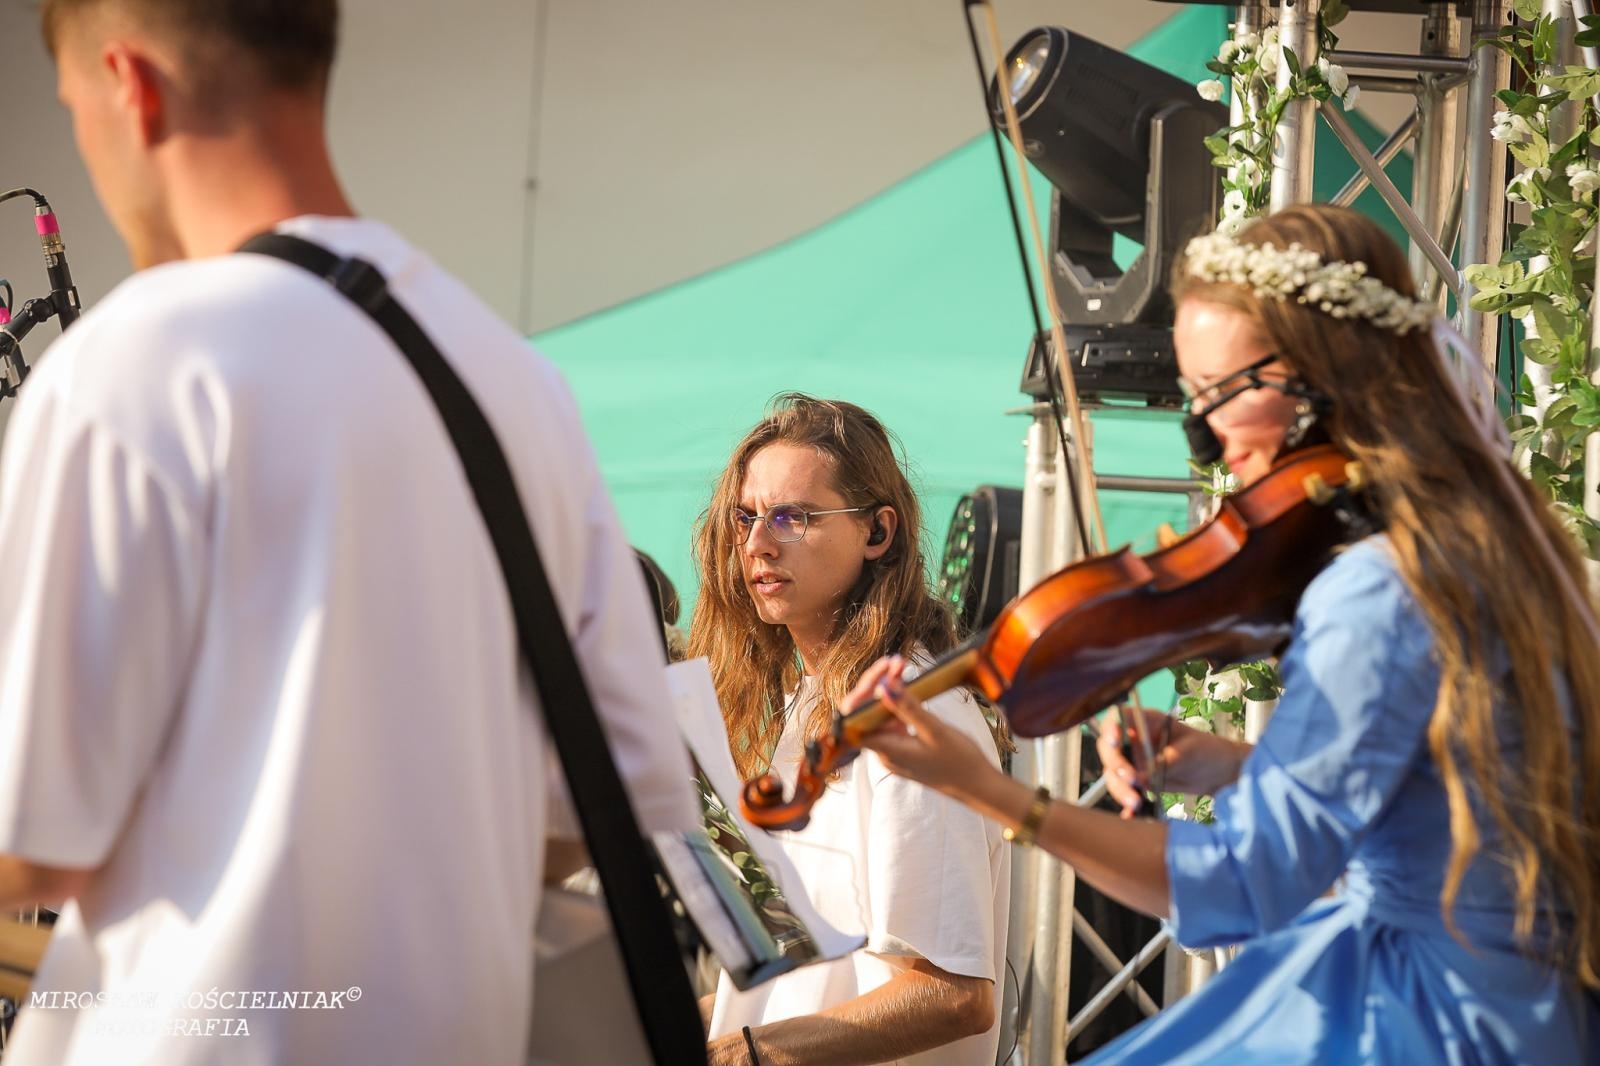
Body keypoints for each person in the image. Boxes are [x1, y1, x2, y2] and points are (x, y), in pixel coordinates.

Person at [0, 2, 698, 1063]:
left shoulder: (136, 362)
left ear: (129, 85)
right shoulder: (517, 381)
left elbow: (27, 846)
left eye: (71, 106)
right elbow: (584, 815)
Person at [850, 204, 1600, 1062]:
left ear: (1322, 373)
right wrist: (1237, 765)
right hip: (1526, 1004)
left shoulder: (1375, 589)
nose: (1202, 437)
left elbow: (1246, 882)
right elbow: (1452, 782)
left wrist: (987, 790)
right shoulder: (1495, 537)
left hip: (1428, 1015)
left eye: (1221, 394)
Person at [690, 394, 1010, 1065]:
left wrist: (741, 1055)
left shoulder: (913, 719)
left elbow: (953, 994)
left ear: (877, 533)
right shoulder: (809, 700)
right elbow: (804, 984)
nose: (757, 544)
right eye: (745, 517)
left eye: (793, 517)